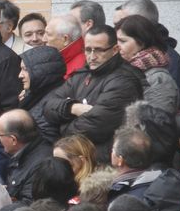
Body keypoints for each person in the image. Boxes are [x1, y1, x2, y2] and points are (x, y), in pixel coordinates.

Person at [44, 25, 144, 163]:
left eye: (98, 50)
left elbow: (95, 127)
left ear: (115, 49)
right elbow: (48, 105)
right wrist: (72, 107)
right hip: (79, 157)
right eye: (87, 50)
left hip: (102, 161)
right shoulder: (82, 74)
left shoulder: (124, 81)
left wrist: (62, 126)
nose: (92, 56)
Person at [115, 15, 178, 113]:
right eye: (116, 41)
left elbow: (159, 118)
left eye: (122, 41)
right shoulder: (121, 70)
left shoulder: (158, 78)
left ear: (142, 42)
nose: (116, 46)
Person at [18, 45, 66, 144]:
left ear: (42, 71)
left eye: (25, 69)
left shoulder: (54, 100)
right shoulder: (35, 94)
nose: (20, 75)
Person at [43, 14, 86, 78]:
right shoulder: (58, 59)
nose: (43, 39)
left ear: (65, 39)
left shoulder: (79, 70)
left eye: (48, 34)